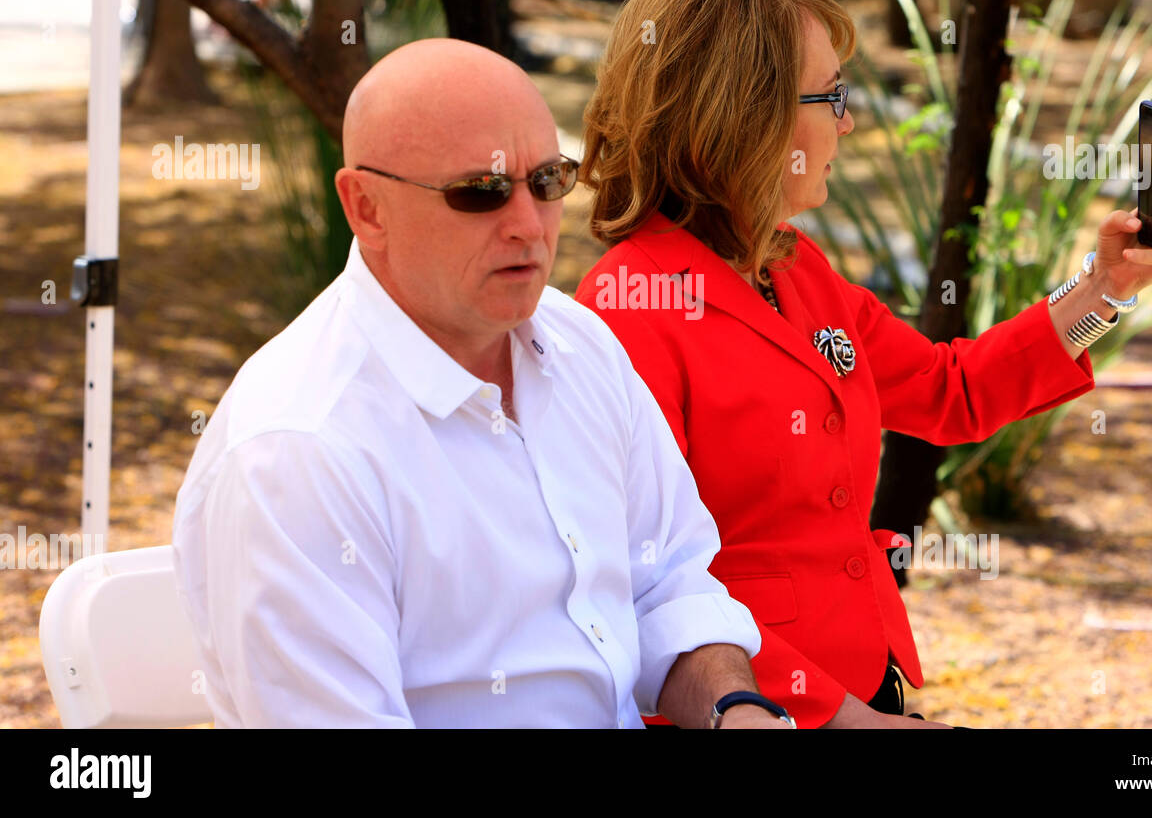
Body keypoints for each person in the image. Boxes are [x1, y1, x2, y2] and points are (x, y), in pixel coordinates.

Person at [573, 0, 1152, 728]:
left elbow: (950, 390)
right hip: (750, 710)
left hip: (867, 682)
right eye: (831, 96)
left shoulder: (794, 266)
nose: (849, 122)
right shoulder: (628, 307)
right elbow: (648, 587)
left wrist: (1102, 288)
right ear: (740, 113)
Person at [172, 38, 793, 729]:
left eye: (549, 181)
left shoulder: (579, 343)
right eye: (481, 192)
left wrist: (736, 713)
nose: (528, 225)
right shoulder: (298, 450)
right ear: (367, 208)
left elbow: (667, 585)